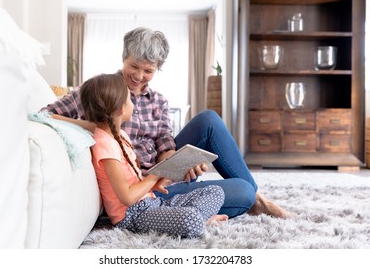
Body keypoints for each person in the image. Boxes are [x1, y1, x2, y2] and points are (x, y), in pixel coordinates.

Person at [42, 27, 291, 219]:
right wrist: (97, 128)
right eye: (134, 67)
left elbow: (165, 144)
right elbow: (44, 114)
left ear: (158, 68)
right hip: (140, 191)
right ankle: (252, 197)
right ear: (123, 58)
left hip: (163, 176)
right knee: (242, 191)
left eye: (148, 70)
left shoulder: (158, 101)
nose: (139, 76)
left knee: (209, 120)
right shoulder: (98, 89)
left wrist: (180, 163)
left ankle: (258, 198)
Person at [80, 73, 228, 237]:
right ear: (121, 108)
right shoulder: (105, 145)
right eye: (130, 99)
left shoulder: (120, 135)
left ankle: (191, 220)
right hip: (133, 216)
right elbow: (127, 198)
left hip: (152, 202)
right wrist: (155, 175)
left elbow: (133, 180)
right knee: (190, 218)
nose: (133, 104)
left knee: (216, 191)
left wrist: (153, 184)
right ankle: (197, 221)